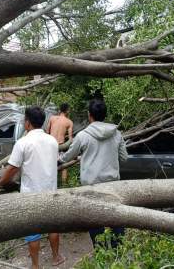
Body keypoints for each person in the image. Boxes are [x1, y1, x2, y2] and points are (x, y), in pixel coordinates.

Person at [0, 106, 65, 269]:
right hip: (51, 192)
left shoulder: (23, 143)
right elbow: (55, 162)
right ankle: (56, 257)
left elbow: (12, 169)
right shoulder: (52, 141)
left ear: (27, 122)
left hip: (31, 195)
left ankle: (35, 265)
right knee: (53, 226)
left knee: (33, 230)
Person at [59, 99, 128, 248]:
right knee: (116, 220)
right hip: (113, 186)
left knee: (96, 225)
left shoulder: (83, 136)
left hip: (91, 188)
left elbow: (67, 157)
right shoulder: (116, 134)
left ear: (89, 115)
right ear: (105, 114)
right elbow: (124, 157)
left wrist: (59, 158)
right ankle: (118, 255)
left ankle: (102, 256)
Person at [47, 103, 73, 183]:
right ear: (67, 111)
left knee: (48, 166)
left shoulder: (52, 118)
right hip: (60, 146)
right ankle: (64, 185)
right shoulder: (69, 122)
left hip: (50, 146)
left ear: (60, 109)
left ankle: (48, 183)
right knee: (64, 166)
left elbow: (47, 132)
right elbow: (70, 139)